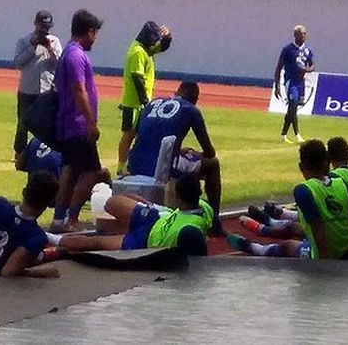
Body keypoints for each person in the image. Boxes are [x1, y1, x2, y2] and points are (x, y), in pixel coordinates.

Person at [227, 140, 348, 260]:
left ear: (301, 166)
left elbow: (318, 229)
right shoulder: (341, 182)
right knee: (295, 228)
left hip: (331, 254)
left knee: (286, 247)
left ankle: (254, 246)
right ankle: (267, 223)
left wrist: (325, 263)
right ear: (327, 163)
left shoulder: (303, 190)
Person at [127, 82, 223, 234]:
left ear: (176, 92)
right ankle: (214, 222)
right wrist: (196, 154)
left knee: (182, 160)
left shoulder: (152, 104)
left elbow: (138, 136)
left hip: (134, 162)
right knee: (212, 164)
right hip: (161, 166)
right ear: (195, 99)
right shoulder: (190, 110)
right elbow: (210, 152)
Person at [55, 174, 211, 256]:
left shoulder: (190, 232)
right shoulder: (205, 208)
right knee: (111, 203)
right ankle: (120, 229)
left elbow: (198, 265)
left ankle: (50, 238)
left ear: (178, 198)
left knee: (96, 243)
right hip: (153, 218)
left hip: (144, 240)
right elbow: (217, 227)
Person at [52, 9, 105, 233]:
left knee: (71, 170)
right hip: (77, 125)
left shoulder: (68, 52)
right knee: (94, 172)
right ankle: (71, 217)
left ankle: (58, 218)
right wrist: (90, 122)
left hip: (70, 123)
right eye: (95, 33)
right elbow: (78, 89)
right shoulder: (75, 54)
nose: (96, 38)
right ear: (89, 31)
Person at [116, 21, 173, 176]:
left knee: (139, 135)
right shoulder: (137, 52)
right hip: (133, 103)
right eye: (154, 39)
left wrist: (167, 38)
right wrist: (145, 102)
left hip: (140, 103)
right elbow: (137, 77)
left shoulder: (145, 49)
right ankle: (121, 167)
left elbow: (162, 47)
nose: (155, 42)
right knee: (128, 135)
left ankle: (131, 164)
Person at [13, 10, 62, 159]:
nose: (44, 31)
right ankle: (19, 153)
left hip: (46, 91)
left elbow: (60, 64)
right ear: (35, 25)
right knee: (23, 123)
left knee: (46, 124)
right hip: (27, 90)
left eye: (47, 28)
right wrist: (32, 46)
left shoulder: (54, 42)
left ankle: (44, 153)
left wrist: (50, 49)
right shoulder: (24, 41)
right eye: (42, 28)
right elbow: (18, 63)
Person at [274, 25, 314, 144]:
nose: (304, 36)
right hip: (290, 81)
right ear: (295, 35)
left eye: (304, 33)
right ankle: (297, 134)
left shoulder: (307, 51)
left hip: (300, 82)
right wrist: (277, 85)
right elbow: (279, 67)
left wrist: (307, 70)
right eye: (301, 33)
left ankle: (283, 135)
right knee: (292, 105)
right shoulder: (288, 49)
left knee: (293, 108)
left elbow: (312, 65)